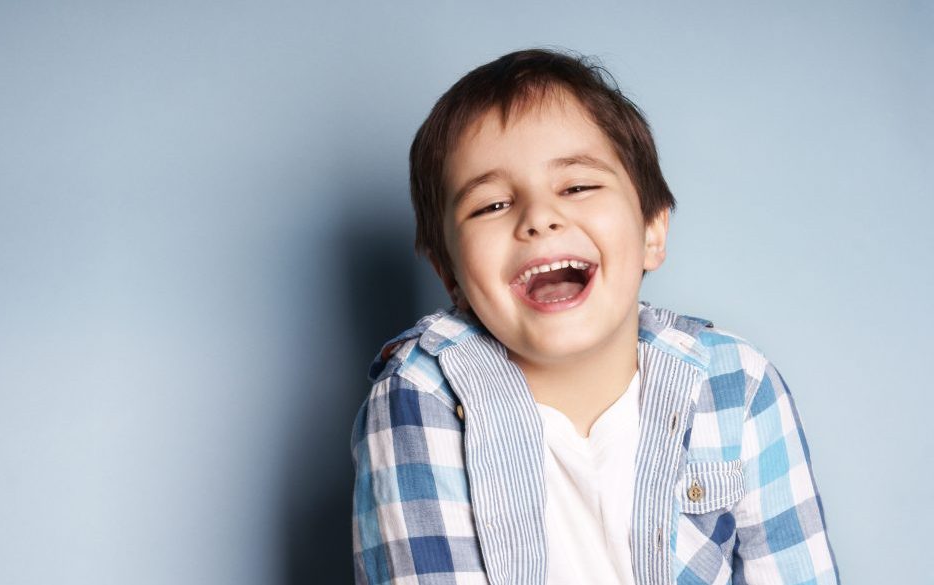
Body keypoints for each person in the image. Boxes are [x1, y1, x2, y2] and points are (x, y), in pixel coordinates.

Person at [350, 48, 839, 585]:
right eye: (491, 205)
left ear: (653, 230)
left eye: (577, 186)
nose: (539, 218)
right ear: (451, 275)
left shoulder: (737, 385)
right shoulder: (421, 394)